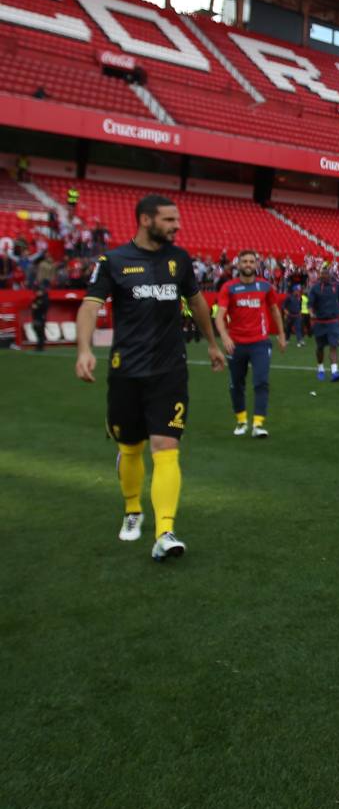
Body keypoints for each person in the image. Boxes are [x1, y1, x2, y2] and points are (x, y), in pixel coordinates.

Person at [73, 194, 225, 562]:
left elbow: (197, 302)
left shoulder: (180, 260)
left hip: (169, 370)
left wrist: (212, 343)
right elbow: (90, 306)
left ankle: (164, 532)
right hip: (126, 370)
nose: (177, 226)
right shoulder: (113, 261)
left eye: (177, 219)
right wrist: (84, 350)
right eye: (169, 220)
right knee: (130, 448)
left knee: (166, 446)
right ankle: (132, 510)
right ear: (145, 220)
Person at [215, 249, 286, 438]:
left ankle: (258, 425)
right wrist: (225, 337)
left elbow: (274, 310)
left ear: (256, 265)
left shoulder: (265, 286)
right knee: (236, 385)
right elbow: (219, 316)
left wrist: (281, 334)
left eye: (251, 262)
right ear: (238, 265)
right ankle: (241, 421)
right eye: (244, 261)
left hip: (260, 343)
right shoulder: (229, 287)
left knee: (261, 382)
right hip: (236, 344)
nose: (248, 264)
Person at [308, 266, 339, 381]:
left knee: (333, 346)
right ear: (320, 275)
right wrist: (311, 313)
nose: (325, 276)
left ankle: (334, 371)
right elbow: (310, 304)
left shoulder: (336, 287)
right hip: (320, 322)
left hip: (333, 322)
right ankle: (320, 369)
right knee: (320, 347)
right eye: (323, 274)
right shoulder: (315, 288)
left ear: (330, 275)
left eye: (327, 274)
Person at [29, 282, 49, 351]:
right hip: (36, 317)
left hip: (41, 317)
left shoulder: (44, 299)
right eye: (37, 291)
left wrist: (36, 306)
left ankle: (40, 346)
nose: (37, 292)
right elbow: (32, 306)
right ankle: (40, 345)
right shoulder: (37, 298)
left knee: (40, 331)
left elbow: (41, 306)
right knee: (36, 330)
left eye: (39, 291)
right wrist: (35, 306)